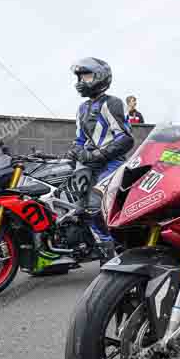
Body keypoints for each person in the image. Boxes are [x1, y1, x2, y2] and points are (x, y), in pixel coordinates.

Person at [65, 57, 134, 262]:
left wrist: (98, 154)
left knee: (95, 206)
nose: (81, 81)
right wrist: (75, 152)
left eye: (86, 76)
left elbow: (125, 138)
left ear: (100, 77)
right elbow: (79, 139)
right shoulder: (82, 108)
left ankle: (110, 252)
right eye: (79, 76)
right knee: (76, 208)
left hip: (110, 163)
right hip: (88, 164)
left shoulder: (112, 103)